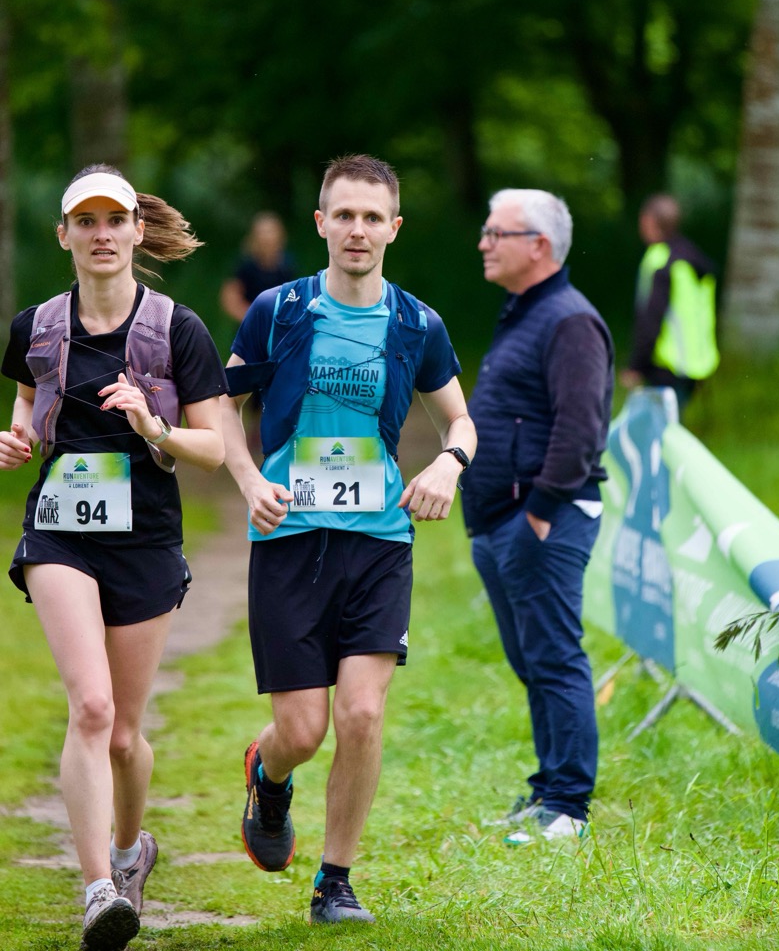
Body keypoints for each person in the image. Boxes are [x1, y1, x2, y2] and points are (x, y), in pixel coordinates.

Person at [221, 154, 476, 925]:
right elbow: (222, 409)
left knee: (361, 714)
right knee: (302, 730)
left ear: (393, 228)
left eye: (372, 217)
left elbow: (459, 420)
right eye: (344, 215)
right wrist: (248, 481)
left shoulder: (416, 324)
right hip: (289, 537)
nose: (357, 230)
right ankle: (268, 774)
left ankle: (334, 882)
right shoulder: (278, 310)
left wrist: (448, 464)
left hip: (378, 542)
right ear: (321, 223)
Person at [0, 165, 227, 951]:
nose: (101, 234)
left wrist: (152, 425)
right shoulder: (35, 326)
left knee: (125, 734)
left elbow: (214, 447)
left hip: (144, 538)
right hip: (60, 532)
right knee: (90, 708)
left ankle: (131, 852)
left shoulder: (177, 329)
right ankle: (99, 887)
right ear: (64, 234)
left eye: (114, 220)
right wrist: (16, 438)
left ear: (137, 230)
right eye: (86, 222)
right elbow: (27, 401)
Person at [461, 189, 613, 845]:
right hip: (500, 520)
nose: (484, 243)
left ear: (539, 246)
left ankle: (569, 808)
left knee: (554, 657)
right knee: (533, 661)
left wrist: (540, 515)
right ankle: (549, 788)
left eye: (497, 233)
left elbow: (581, 428)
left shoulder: (569, 320)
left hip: (541, 519)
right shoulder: (525, 312)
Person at [619, 194, 719, 413]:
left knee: (660, 428)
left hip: (666, 364)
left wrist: (637, 365)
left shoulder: (659, 260)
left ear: (648, 221)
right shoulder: (693, 256)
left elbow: (650, 318)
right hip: (697, 363)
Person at [219, 212, 297, 324]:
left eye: (270, 232)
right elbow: (230, 299)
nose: (267, 238)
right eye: (263, 233)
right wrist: (255, 318)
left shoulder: (287, 265)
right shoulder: (245, 265)